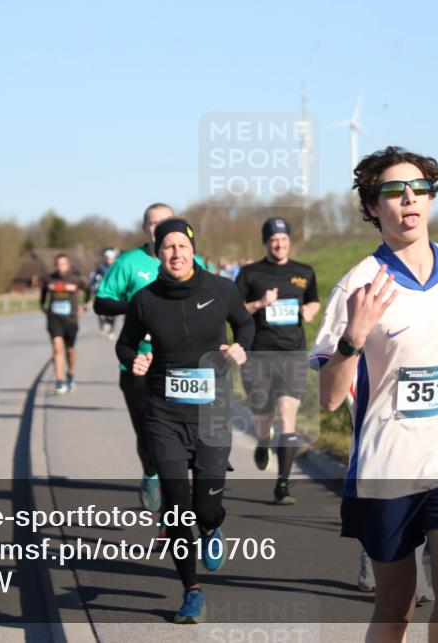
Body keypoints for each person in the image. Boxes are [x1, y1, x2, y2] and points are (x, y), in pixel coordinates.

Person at [310, 146, 438, 643]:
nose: (409, 199)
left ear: (430, 200)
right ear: (371, 206)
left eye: (419, 189)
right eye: (393, 191)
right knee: (395, 607)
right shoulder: (357, 286)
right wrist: (351, 341)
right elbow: (329, 399)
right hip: (389, 467)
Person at [116, 217, 253, 624]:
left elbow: (245, 324)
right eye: (167, 247)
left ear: (193, 249)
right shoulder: (145, 299)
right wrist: (133, 359)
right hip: (164, 414)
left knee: (205, 507)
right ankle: (191, 590)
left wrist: (241, 348)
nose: (175, 253)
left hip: (211, 412)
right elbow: (125, 342)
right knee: (176, 509)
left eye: (182, 245)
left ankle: (212, 528)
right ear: (157, 253)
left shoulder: (221, 289)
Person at [93, 203, 207, 513]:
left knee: (184, 441)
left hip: (182, 368)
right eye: (153, 224)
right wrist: (135, 307)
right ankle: (150, 474)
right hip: (139, 367)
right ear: (145, 229)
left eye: (165, 223)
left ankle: (180, 510)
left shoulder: (192, 261)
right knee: (149, 437)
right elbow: (101, 302)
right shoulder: (129, 263)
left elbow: (210, 303)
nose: (159, 229)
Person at [235, 217, 319, 504]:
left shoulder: (304, 272)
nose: (279, 244)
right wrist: (259, 304)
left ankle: (282, 484)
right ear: (265, 242)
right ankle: (262, 440)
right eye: (273, 240)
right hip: (258, 354)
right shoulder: (249, 274)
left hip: (293, 353)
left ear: (289, 241)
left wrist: (310, 310)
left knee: (286, 414)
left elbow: (314, 300)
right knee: (263, 415)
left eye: (283, 239)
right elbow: (234, 311)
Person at [40, 253, 90, 395]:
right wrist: (43, 306)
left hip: (71, 319)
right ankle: (59, 381)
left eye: (64, 264)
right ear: (55, 265)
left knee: (70, 351)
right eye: (58, 264)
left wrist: (84, 306)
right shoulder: (49, 278)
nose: (61, 267)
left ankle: (71, 374)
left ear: (68, 265)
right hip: (54, 318)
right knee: (57, 348)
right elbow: (43, 293)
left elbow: (88, 290)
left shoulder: (76, 278)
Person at [89, 248, 119, 340]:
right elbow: (94, 278)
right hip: (102, 291)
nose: (109, 260)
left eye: (111, 258)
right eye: (108, 258)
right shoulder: (101, 267)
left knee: (113, 311)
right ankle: (103, 323)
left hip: (114, 292)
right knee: (101, 309)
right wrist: (93, 285)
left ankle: (111, 331)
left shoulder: (117, 266)